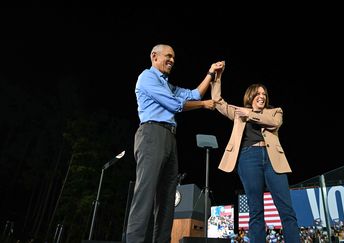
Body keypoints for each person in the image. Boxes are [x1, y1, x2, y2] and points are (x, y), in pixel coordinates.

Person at [126, 43, 225, 243]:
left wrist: (210, 73)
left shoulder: (167, 84)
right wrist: (204, 105)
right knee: (145, 193)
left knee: (168, 197)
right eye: (168, 56)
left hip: (169, 137)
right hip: (151, 133)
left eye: (174, 58)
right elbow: (175, 104)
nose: (172, 60)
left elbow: (193, 94)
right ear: (154, 56)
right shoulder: (147, 77)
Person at [211, 65, 300, 242]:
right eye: (258, 94)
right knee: (255, 210)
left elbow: (274, 123)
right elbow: (218, 102)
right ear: (250, 96)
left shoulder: (275, 111)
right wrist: (217, 78)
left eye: (264, 94)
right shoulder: (238, 113)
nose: (262, 96)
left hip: (273, 159)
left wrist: (250, 114)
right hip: (248, 158)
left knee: (287, 210)